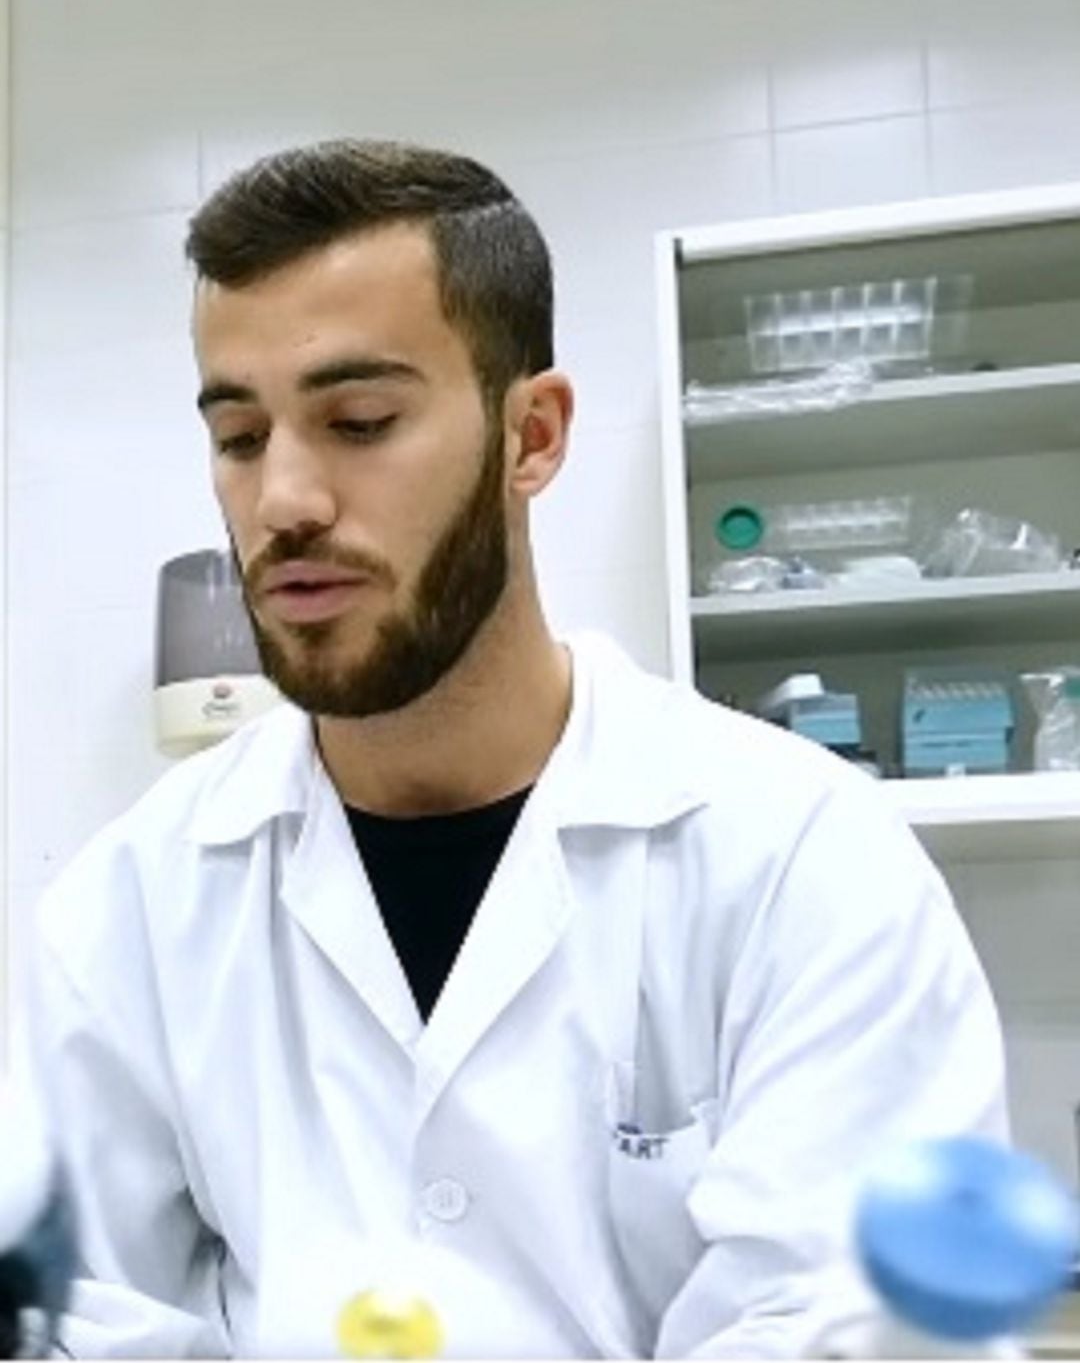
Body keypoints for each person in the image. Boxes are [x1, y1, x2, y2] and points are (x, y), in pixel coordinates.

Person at [22, 140, 1007, 1359]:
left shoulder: (803, 861)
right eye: (238, 436)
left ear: (531, 435)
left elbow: (865, 1327)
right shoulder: (129, 911)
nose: (282, 499)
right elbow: (74, 1319)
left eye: (359, 420)